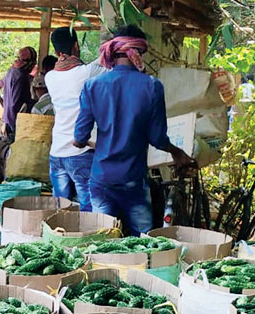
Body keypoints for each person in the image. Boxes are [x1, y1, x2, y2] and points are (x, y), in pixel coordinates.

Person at [73, 25, 192, 235]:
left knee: (103, 239)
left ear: (113, 51)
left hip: (101, 178)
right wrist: (177, 152)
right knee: (142, 240)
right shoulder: (152, 86)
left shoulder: (92, 86)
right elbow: (157, 138)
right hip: (133, 179)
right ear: (138, 53)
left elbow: (80, 137)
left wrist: (84, 141)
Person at [44, 27, 107, 212]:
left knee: (60, 209)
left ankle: (57, 239)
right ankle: (85, 241)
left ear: (56, 52)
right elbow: (108, 59)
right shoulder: (87, 72)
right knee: (87, 206)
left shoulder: (50, 77)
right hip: (80, 150)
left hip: (56, 152)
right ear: (77, 46)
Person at [0, 46, 37, 175]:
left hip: (6, 120)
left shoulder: (10, 72)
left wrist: (3, 104)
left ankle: (3, 176)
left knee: (5, 154)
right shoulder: (22, 77)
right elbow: (16, 104)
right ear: (29, 62)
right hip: (15, 122)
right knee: (14, 156)